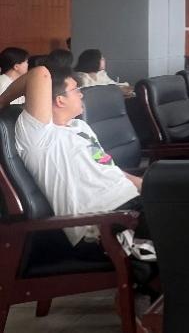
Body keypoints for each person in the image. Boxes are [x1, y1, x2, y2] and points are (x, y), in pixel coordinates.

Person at [0, 66, 148, 253]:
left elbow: (107, 167)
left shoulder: (80, 127)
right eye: (76, 90)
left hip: (134, 201)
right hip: (105, 221)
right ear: (59, 100)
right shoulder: (40, 136)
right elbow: (40, 73)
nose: (81, 95)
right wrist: (2, 102)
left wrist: (147, 185)